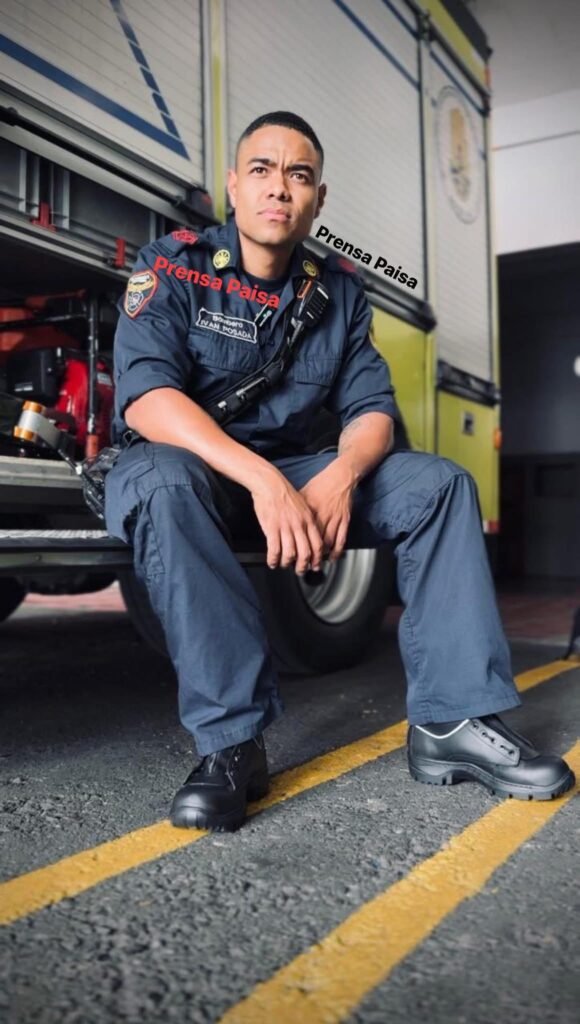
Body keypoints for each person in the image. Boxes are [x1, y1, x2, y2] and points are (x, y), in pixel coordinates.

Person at [105, 111, 575, 832]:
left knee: (440, 486)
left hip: (299, 471)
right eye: (261, 170)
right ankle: (232, 745)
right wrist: (266, 482)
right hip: (196, 470)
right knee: (165, 483)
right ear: (234, 186)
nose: (279, 188)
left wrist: (342, 474)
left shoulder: (338, 292)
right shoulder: (174, 265)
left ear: (318, 199)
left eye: (298, 175)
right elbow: (148, 400)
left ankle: (453, 723)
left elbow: (373, 410)